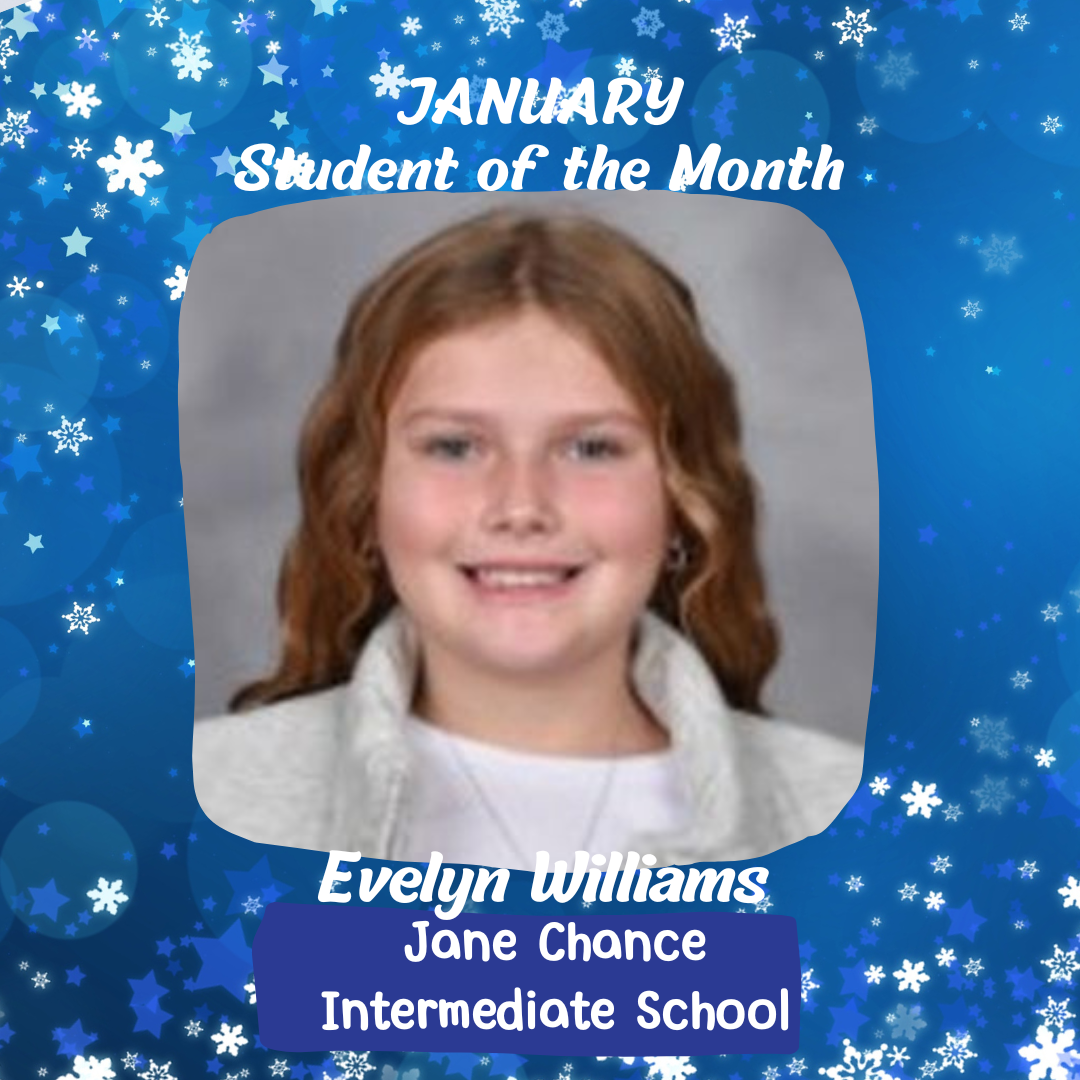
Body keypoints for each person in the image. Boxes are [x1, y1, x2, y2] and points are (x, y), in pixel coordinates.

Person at [191, 210, 864, 869]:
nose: (521, 507)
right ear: (364, 497)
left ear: (683, 499)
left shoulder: (847, 811)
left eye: (591, 448)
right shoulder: (203, 796)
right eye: (454, 447)